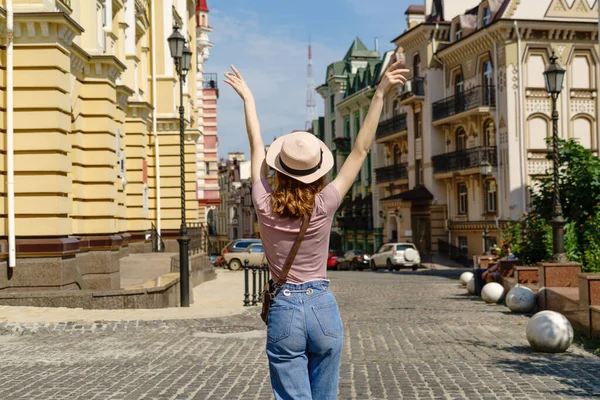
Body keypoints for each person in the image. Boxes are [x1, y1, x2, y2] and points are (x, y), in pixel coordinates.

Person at [224, 61, 408, 399]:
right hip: (323, 307)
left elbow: (255, 146)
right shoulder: (326, 202)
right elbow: (361, 150)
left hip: (285, 311)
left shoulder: (263, 202)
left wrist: (248, 99)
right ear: (317, 171)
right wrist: (380, 93)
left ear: (278, 170)